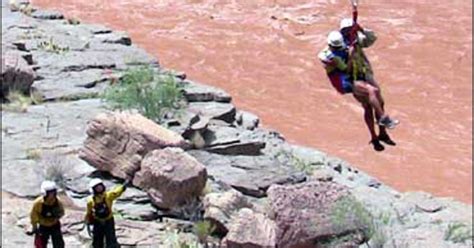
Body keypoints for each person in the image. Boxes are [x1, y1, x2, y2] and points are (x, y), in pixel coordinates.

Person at [318, 30, 398, 151]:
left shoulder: (349, 41)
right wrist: (350, 54)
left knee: (376, 102)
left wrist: (361, 30)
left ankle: (379, 135)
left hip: (360, 75)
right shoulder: (329, 55)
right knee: (372, 92)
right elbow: (345, 69)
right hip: (346, 80)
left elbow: (371, 39)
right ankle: (382, 119)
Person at [85, 178, 130, 248]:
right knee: (97, 241)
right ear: (94, 189)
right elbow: (89, 212)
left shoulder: (108, 196)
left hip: (108, 220)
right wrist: (87, 221)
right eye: (97, 187)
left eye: (100, 186)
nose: (99, 188)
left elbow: (117, 192)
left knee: (111, 239)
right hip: (97, 222)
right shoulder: (90, 201)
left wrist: (124, 185)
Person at [30, 180, 65, 248]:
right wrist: (35, 228)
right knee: (41, 245)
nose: (52, 195)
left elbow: (62, 212)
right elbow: (33, 216)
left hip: (55, 225)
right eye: (50, 193)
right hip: (43, 226)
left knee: (59, 244)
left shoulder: (57, 202)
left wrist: (56, 217)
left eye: (53, 192)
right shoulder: (38, 203)